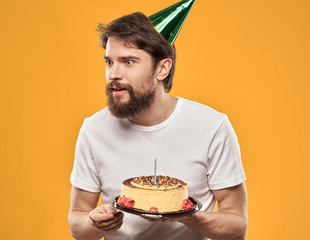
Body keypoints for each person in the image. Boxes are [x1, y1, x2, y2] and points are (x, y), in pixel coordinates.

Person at [68, 9, 247, 240]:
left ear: (162, 68)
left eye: (128, 61)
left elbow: (237, 225)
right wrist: (94, 222)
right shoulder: (94, 130)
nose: (113, 74)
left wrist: (188, 216)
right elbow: (77, 222)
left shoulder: (212, 127)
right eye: (109, 62)